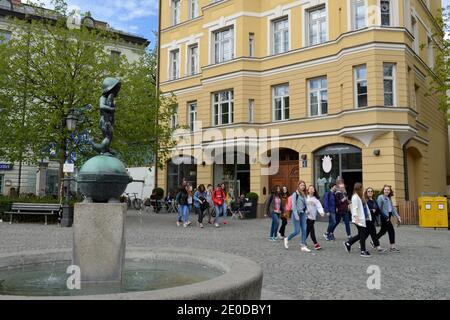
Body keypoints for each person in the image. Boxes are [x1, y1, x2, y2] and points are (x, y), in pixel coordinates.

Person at [343, 183, 372, 257]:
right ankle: (363, 251)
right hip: (358, 219)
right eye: (362, 188)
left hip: (362, 219)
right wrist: (356, 218)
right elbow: (354, 208)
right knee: (362, 234)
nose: (363, 189)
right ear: (359, 188)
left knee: (361, 234)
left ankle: (348, 243)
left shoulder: (360, 196)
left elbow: (364, 208)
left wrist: (368, 216)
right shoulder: (355, 197)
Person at [284, 181, 310, 252]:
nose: (303, 187)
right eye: (301, 185)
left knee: (304, 229)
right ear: (298, 186)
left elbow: (305, 204)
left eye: (304, 185)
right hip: (297, 214)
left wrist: (307, 211)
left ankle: (303, 245)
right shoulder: (295, 194)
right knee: (297, 231)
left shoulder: (304, 194)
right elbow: (294, 205)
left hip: (303, 213)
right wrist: (296, 215)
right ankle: (287, 239)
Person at [375, 185, 402, 252]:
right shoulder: (380, 197)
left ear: (390, 191)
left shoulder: (389, 198)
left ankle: (374, 241)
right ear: (383, 190)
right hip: (384, 217)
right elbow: (378, 209)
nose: (387, 191)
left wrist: (398, 216)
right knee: (391, 230)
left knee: (383, 231)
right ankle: (392, 247)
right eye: (385, 189)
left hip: (388, 216)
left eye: (388, 190)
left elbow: (392, 208)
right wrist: (384, 216)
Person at [365, 187, 387, 253]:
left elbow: (378, 210)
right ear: (366, 192)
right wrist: (372, 210)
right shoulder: (365, 200)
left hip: (373, 219)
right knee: (373, 233)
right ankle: (378, 247)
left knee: (365, 233)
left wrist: (385, 216)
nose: (370, 192)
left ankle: (350, 242)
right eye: (368, 191)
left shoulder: (374, 200)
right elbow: (365, 210)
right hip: (368, 219)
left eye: (371, 191)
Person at [305, 185, 325, 250]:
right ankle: (316, 244)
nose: (311, 190)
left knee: (308, 230)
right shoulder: (305, 197)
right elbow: (302, 206)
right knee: (312, 230)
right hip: (307, 217)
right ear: (308, 190)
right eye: (310, 188)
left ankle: (303, 241)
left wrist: (321, 212)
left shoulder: (315, 199)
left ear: (314, 191)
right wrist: (305, 211)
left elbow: (319, 206)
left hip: (313, 217)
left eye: (312, 189)